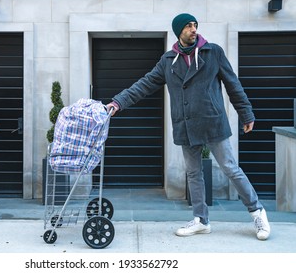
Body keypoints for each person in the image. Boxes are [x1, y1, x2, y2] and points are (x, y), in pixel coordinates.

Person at [106, 13, 271, 240]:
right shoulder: (167, 61)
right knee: (194, 174)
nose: (193, 29)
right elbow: (144, 84)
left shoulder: (213, 52)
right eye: (188, 26)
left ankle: (257, 212)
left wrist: (246, 113)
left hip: (213, 121)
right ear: (178, 31)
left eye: (195, 25)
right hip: (186, 125)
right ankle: (201, 220)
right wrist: (118, 102)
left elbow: (233, 84)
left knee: (231, 168)